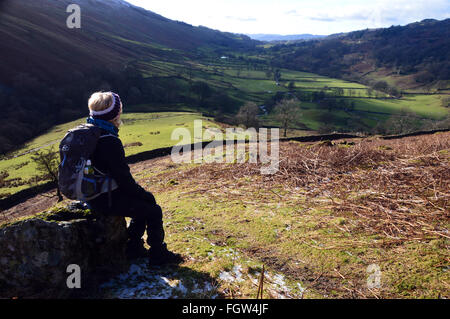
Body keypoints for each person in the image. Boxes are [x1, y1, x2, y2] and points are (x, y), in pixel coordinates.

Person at [85, 91, 183, 265]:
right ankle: (157, 254)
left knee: (143, 203)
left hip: (91, 194)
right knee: (153, 209)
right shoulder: (109, 141)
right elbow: (124, 179)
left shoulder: (88, 134)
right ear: (114, 115)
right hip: (104, 199)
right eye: (120, 111)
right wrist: (143, 194)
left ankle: (134, 246)